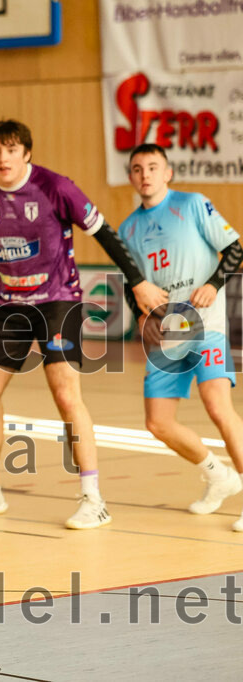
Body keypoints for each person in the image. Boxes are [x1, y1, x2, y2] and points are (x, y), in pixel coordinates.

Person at [0, 119, 168, 530]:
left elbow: (106, 235)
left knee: (65, 396)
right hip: (9, 302)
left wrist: (139, 282)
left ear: (27, 153)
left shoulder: (56, 187)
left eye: (10, 150)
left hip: (59, 299)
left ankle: (93, 499)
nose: (2, 158)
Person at [118, 143, 243, 529]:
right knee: (158, 423)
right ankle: (219, 475)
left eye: (153, 167)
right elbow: (131, 282)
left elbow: (235, 248)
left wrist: (213, 283)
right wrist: (140, 315)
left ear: (168, 173)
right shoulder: (127, 228)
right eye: (138, 169)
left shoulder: (192, 205)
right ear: (131, 177)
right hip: (168, 334)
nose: (146, 174)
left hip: (206, 322)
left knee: (218, 405)